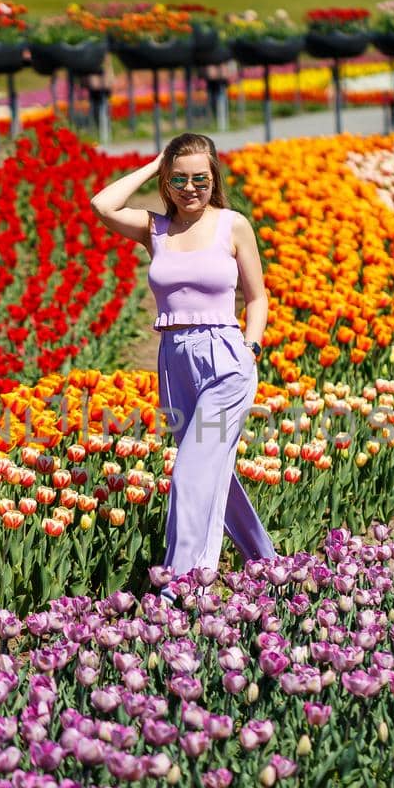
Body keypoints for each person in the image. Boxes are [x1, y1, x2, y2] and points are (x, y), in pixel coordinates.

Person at [90, 132, 275, 587]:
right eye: (179, 179)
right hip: (175, 364)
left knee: (192, 468)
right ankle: (267, 564)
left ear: (215, 179)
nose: (191, 188)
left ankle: (182, 583)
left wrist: (250, 351)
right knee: (212, 468)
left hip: (226, 361)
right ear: (166, 183)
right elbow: (102, 205)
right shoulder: (155, 229)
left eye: (201, 178)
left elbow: (257, 297)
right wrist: (156, 163)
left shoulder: (232, 226)